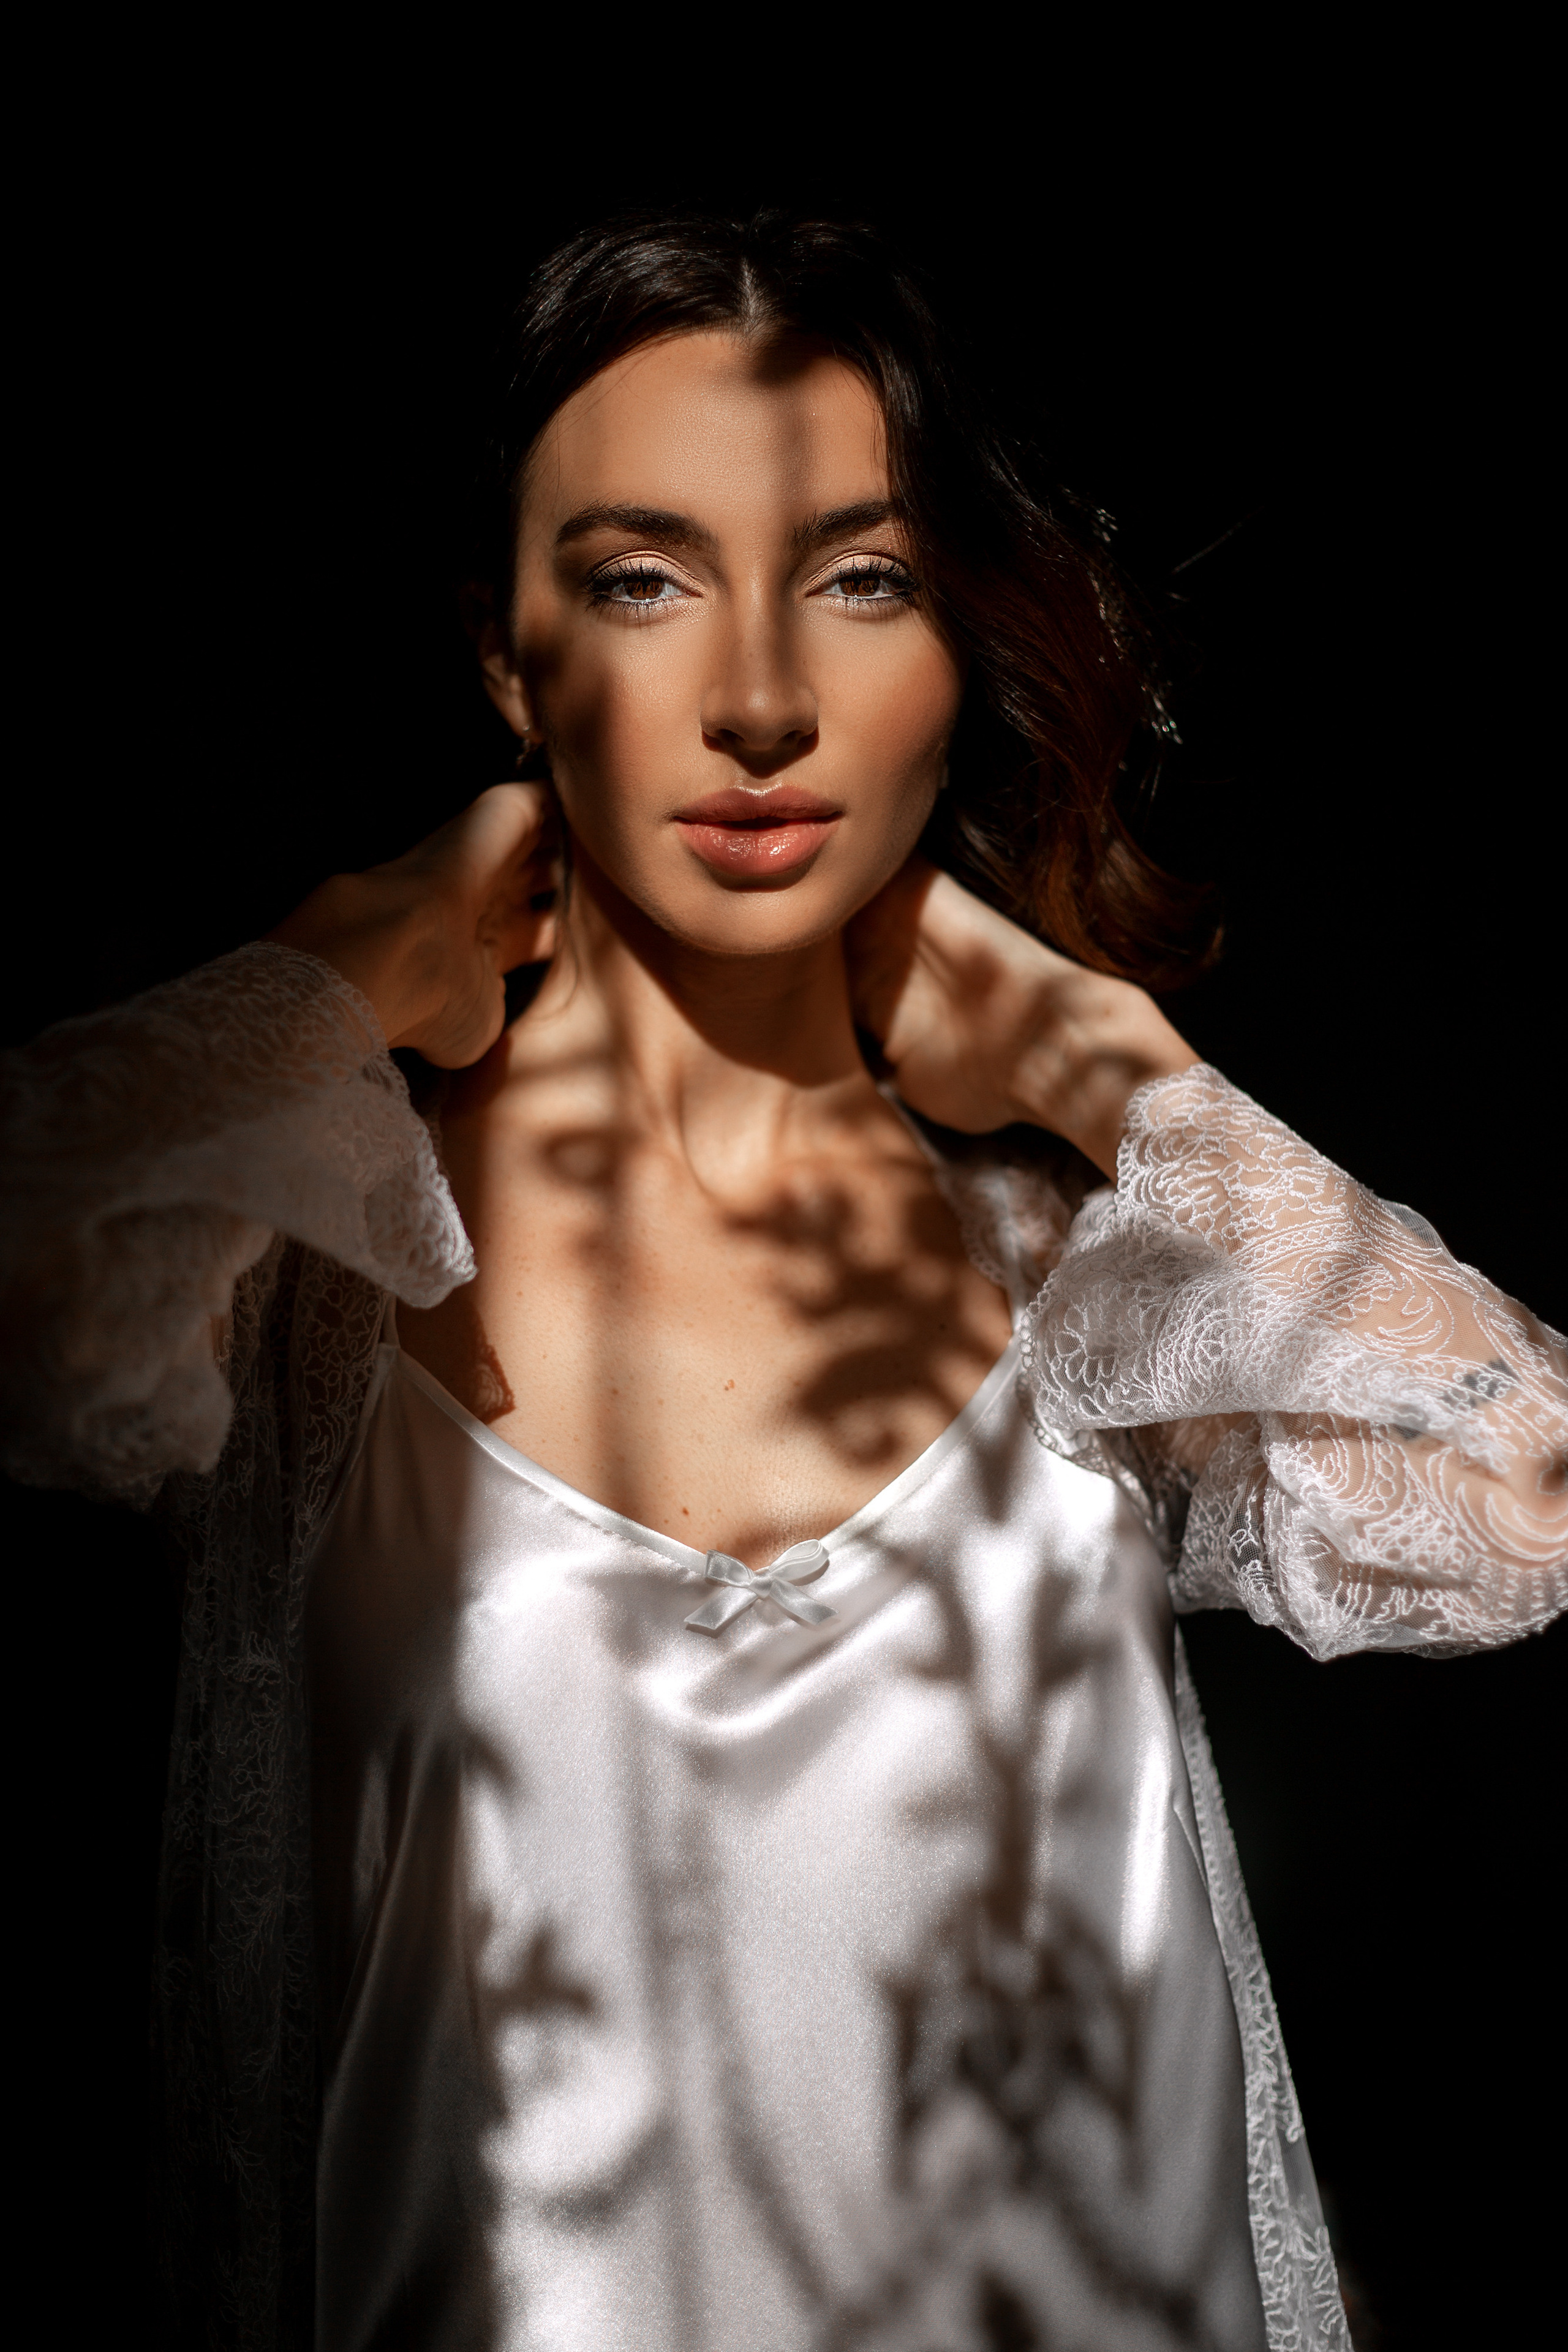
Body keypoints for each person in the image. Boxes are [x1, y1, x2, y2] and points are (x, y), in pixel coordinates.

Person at [3, 214, 1563, 2352]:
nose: (756, 700)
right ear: (507, 656)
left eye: (862, 581)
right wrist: (327, 983)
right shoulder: (308, 1263)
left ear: (960, 651)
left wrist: (1116, 1074)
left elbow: (1525, 1507)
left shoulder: (1084, 1266)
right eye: (643, 579)